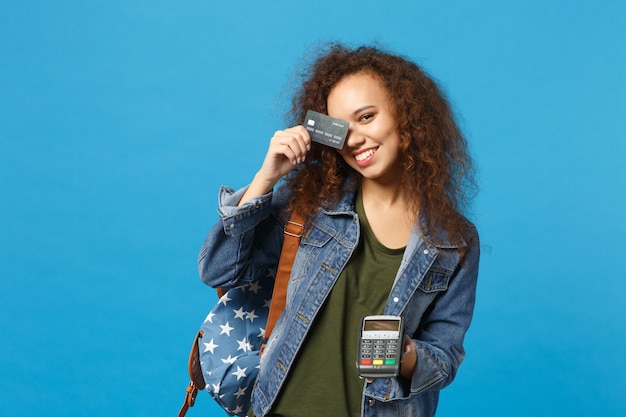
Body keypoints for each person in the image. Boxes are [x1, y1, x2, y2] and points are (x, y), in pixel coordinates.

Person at [198, 43, 480, 417]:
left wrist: (406, 354)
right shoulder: (310, 203)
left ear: (407, 113)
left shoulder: (454, 240)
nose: (355, 139)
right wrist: (264, 180)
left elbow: (444, 356)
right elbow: (217, 270)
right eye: (341, 128)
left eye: (366, 117)